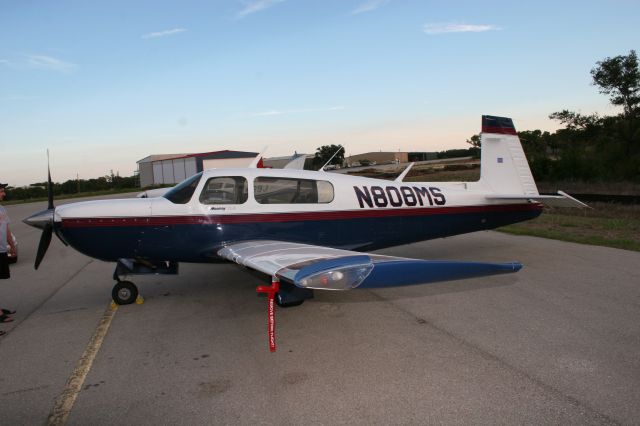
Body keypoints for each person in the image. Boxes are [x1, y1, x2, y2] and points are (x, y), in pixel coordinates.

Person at [0, 182, 17, 334]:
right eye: (1, 191)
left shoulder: (2, 208)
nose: (4, 193)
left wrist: (11, 245)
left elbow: (6, 228)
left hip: (1, 250)